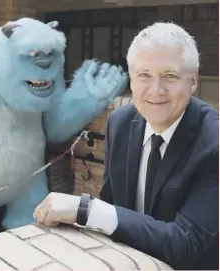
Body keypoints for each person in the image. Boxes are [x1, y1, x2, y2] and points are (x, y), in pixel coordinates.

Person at [33, 22, 219, 270]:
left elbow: (186, 244)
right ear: (131, 79)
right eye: (144, 75)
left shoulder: (214, 142)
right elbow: (112, 204)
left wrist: (85, 209)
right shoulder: (119, 124)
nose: (156, 90)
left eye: (170, 76)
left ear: (193, 81)